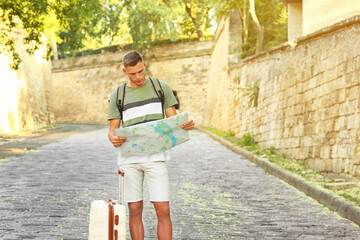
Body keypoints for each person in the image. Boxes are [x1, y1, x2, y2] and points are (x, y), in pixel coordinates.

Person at [107, 50, 194, 240]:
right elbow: (112, 129)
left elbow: (174, 120)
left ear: (144, 65)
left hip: (156, 158)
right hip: (129, 160)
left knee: (163, 209)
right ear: (124, 71)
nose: (138, 77)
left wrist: (186, 124)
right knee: (135, 209)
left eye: (140, 71)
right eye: (132, 73)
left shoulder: (160, 87)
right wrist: (113, 138)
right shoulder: (118, 95)